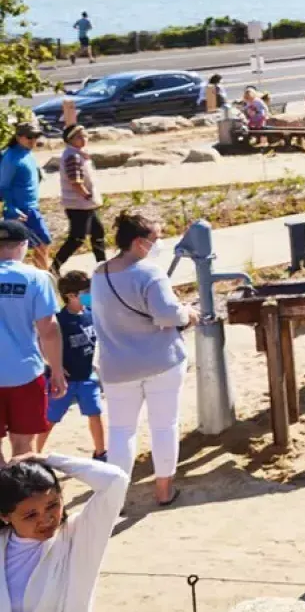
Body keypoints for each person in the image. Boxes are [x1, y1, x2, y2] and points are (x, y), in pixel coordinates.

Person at [91, 210, 193, 505]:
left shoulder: (100, 273)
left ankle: (117, 497)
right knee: (164, 425)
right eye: (155, 238)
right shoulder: (149, 272)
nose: (158, 243)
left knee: (121, 432)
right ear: (139, 242)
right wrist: (188, 314)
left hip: (116, 364)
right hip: (161, 360)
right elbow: (167, 314)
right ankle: (164, 489)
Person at [0, 453, 129, 612]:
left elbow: (115, 480)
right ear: (5, 516)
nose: (46, 519)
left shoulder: (78, 538)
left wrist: (47, 459)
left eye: (52, 505)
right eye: (30, 515)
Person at [0, 222, 62, 460]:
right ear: (23, 245)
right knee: (24, 448)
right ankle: (21, 496)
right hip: (25, 373)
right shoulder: (36, 278)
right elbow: (49, 330)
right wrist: (56, 371)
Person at [47, 271, 105, 460]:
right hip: (66, 381)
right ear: (71, 295)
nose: (90, 294)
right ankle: (34, 453)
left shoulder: (91, 314)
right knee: (49, 419)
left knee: (95, 414)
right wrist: (53, 364)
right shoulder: (59, 320)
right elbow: (43, 340)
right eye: (86, 291)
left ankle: (100, 452)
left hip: (88, 377)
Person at [50, 127, 105, 273]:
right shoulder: (72, 157)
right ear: (70, 139)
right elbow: (76, 182)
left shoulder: (79, 154)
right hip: (79, 204)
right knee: (77, 238)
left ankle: (102, 264)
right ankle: (55, 267)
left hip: (86, 204)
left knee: (98, 233)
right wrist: (87, 195)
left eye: (85, 135)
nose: (84, 139)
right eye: (79, 137)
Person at [0, 123, 50, 269]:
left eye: (36, 136)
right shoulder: (11, 158)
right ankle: (44, 279)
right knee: (40, 244)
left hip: (31, 208)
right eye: (29, 137)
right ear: (18, 137)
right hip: (21, 211)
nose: (33, 140)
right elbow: (3, 186)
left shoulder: (27, 153)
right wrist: (11, 209)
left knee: (35, 246)